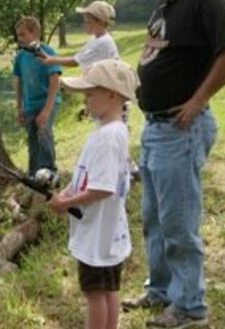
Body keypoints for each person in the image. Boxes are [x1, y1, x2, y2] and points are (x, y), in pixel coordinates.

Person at [124, 0, 225, 328]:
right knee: (155, 217)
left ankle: (190, 307)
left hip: (179, 130)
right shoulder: (169, 5)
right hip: (156, 129)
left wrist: (199, 100)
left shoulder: (205, 1)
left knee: (179, 223)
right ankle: (161, 291)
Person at [48, 58, 139, 329]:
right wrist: (65, 194)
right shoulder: (114, 131)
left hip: (98, 234)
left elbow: (102, 187)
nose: (84, 100)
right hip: (109, 232)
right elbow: (86, 176)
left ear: (112, 94)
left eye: (89, 94)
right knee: (109, 289)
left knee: (94, 294)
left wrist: (67, 203)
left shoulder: (107, 138)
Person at [13, 16, 62, 174]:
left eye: (23, 34)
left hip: (48, 101)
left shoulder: (47, 52)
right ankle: (33, 173)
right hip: (30, 105)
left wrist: (47, 110)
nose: (19, 39)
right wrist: (19, 107)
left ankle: (49, 172)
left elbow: (55, 81)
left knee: (43, 132)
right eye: (18, 35)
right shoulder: (20, 56)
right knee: (32, 139)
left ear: (34, 33)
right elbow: (19, 82)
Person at [37, 0, 120, 69]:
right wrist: (50, 57)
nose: (85, 25)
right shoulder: (96, 38)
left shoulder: (103, 42)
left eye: (88, 22)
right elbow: (78, 56)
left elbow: (75, 62)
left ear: (101, 22)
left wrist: (51, 60)